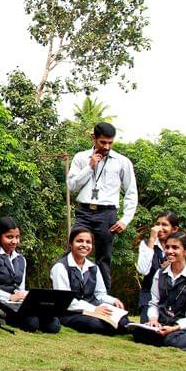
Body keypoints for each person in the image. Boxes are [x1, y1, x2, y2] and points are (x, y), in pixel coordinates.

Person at [66, 121, 138, 290]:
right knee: (75, 252)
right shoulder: (81, 157)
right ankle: (72, 296)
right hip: (83, 211)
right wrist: (89, 167)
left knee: (103, 259)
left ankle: (104, 301)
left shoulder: (122, 161)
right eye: (102, 142)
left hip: (107, 214)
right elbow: (71, 186)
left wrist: (126, 219)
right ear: (94, 138)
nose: (106, 146)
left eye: (110, 143)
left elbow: (131, 192)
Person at [0, 217, 60, 333]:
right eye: (9, 237)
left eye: (17, 237)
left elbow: (20, 289)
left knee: (53, 323)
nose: (14, 241)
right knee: (31, 323)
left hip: (15, 303)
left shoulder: (21, 259)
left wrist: (27, 297)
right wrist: (8, 297)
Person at [51, 226, 129, 335]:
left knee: (123, 320)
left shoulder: (93, 267)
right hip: (70, 312)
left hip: (94, 309)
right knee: (95, 324)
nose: (84, 245)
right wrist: (93, 310)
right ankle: (116, 329)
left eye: (88, 242)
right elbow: (65, 301)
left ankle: (122, 327)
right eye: (79, 241)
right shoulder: (60, 267)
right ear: (70, 244)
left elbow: (100, 294)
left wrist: (113, 301)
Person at [136, 212, 180, 320]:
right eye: (157, 224)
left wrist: (173, 266)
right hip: (149, 295)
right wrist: (151, 240)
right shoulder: (145, 244)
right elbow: (143, 270)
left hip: (173, 296)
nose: (160, 228)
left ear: (174, 229)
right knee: (147, 329)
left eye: (164, 225)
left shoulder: (181, 247)